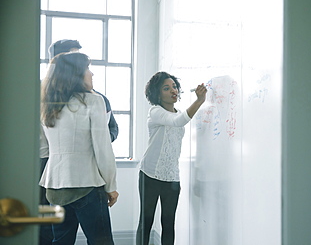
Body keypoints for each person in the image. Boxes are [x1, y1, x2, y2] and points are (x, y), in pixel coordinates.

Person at [39, 40, 119, 244]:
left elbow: (44, 148)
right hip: (87, 184)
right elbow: (103, 149)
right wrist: (111, 185)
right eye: (88, 69)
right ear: (75, 74)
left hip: (54, 185)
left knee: (61, 241)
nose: (92, 74)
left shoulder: (48, 105)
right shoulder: (93, 100)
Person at [136, 72, 207, 245]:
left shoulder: (180, 113)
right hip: (150, 175)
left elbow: (179, 121)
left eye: (174, 86)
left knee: (168, 224)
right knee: (146, 221)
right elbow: (177, 121)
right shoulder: (155, 112)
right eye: (166, 88)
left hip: (172, 177)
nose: (173, 91)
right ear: (157, 94)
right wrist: (199, 101)